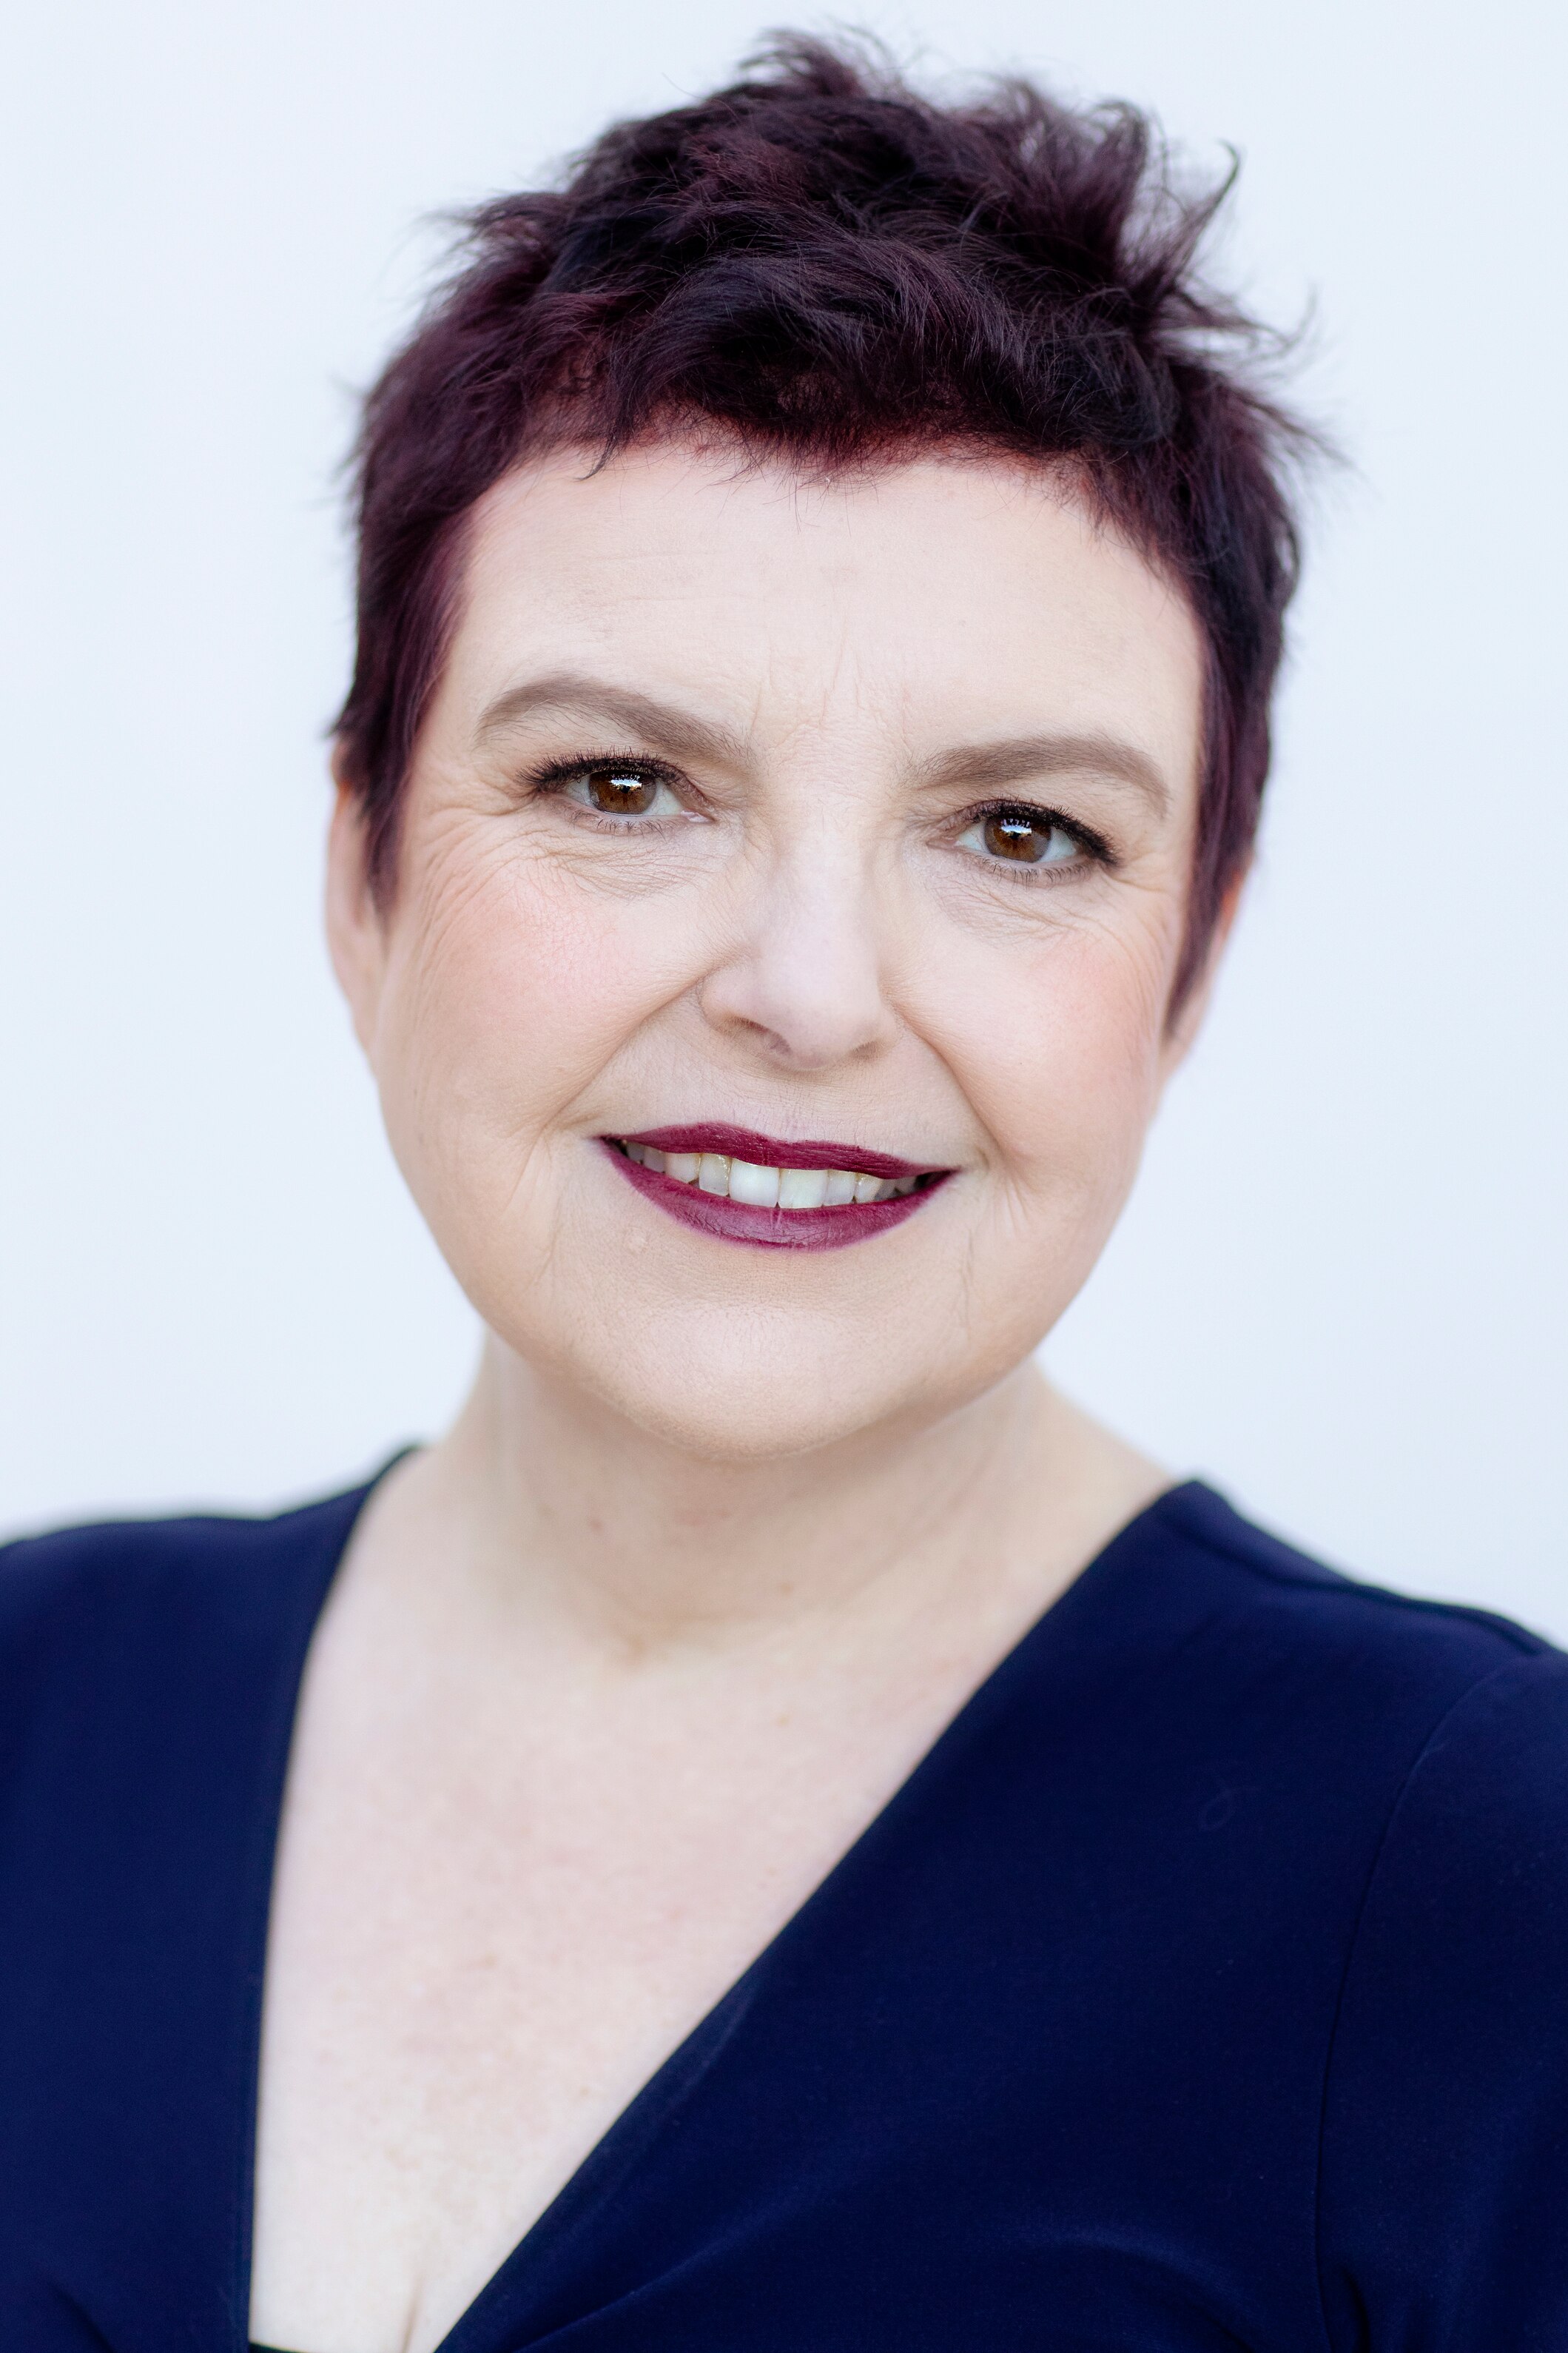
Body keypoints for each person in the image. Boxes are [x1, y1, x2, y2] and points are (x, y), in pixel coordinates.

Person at [3, 36, 1564, 2353]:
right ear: (360, 873)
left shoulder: (1483, 1883)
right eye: (624, 783)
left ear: (1191, 967)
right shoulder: (32, 1707)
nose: (811, 994)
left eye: (1021, 830)